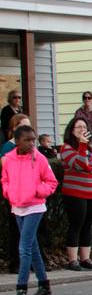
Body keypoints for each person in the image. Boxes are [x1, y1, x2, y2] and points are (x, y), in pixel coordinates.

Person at [2, 125, 59, 295]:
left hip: (35, 206)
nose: (31, 143)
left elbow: (51, 182)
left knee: (24, 246)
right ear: (17, 141)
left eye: (33, 140)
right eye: (27, 140)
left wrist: (37, 191)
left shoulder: (40, 158)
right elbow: (5, 179)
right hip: (17, 206)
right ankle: (44, 285)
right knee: (32, 247)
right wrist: (8, 192)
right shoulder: (9, 159)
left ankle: (21, 288)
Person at [60, 117, 92, 271]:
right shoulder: (66, 148)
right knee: (76, 225)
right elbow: (79, 164)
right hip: (74, 193)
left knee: (88, 225)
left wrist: (89, 169)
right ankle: (73, 260)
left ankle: (85, 258)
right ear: (72, 131)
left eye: (84, 127)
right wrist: (82, 146)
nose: (82, 129)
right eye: (78, 127)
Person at [2, 113, 31, 273]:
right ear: (14, 128)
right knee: (17, 228)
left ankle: (33, 260)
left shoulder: (30, 146)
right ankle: (16, 262)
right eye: (22, 126)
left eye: (28, 125)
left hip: (30, 195)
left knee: (31, 230)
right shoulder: (9, 147)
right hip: (15, 194)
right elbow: (7, 169)